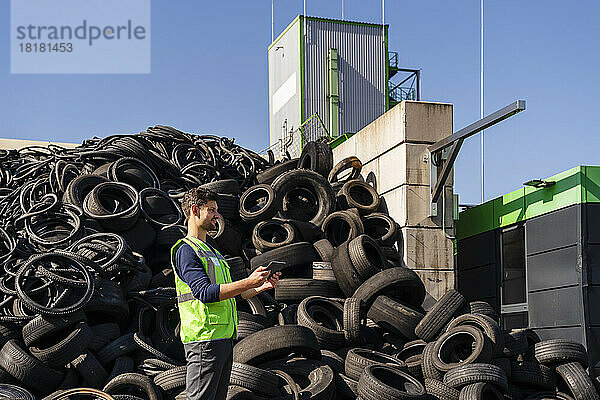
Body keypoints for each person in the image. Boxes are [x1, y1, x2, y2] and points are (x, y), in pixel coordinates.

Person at [171, 187, 281, 400]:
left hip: (222, 339)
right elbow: (205, 293)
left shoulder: (211, 251)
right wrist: (248, 281)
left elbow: (233, 294)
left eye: (217, 210)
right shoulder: (186, 250)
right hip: (204, 340)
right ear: (195, 210)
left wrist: (258, 287)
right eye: (211, 210)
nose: (217, 215)